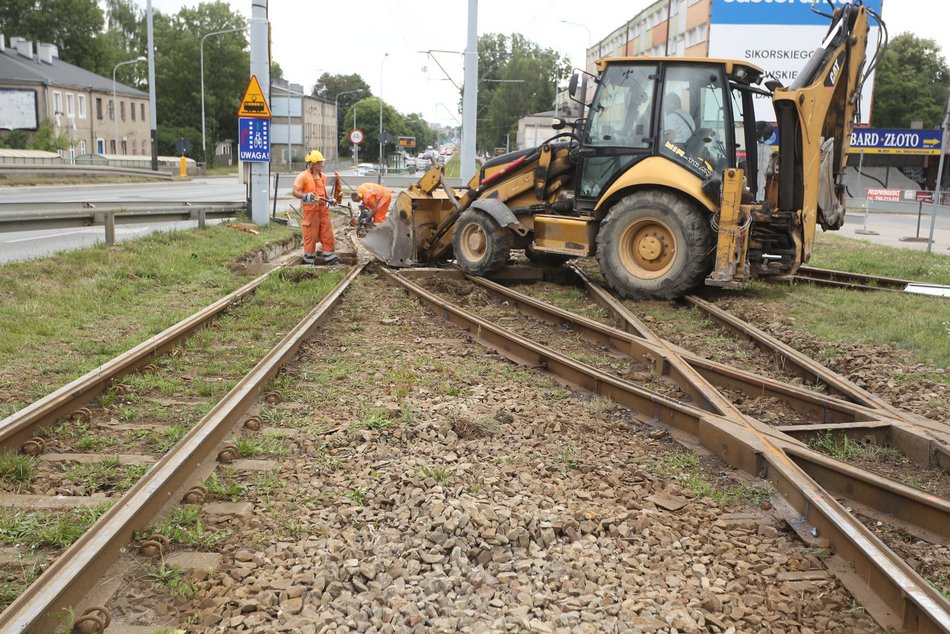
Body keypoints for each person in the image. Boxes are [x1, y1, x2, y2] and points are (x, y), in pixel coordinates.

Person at [293, 150, 338, 265]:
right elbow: (295, 192)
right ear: (312, 164)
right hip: (311, 212)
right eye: (320, 163)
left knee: (327, 234)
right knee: (310, 236)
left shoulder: (322, 176)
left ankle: (330, 258)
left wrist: (330, 199)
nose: (322, 165)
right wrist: (305, 196)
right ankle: (308, 260)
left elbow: (323, 193)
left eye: (322, 162)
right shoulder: (303, 176)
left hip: (323, 210)